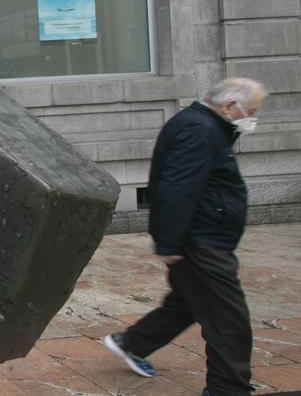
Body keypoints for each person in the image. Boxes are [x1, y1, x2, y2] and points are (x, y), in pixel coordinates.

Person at [103, 77, 266, 396]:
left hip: (201, 236)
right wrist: (169, 242)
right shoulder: (200, 130)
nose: (253, 117)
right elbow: (177, 189)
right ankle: (227, 389)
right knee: (228, 322)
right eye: (252, 110)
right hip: (201, 240)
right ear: (230, 106)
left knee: (189, 302)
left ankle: (132, 342)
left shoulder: (205, 126)